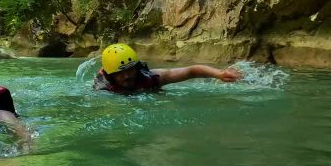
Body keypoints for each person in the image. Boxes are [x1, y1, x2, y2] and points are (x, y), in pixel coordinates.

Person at [93, 43, 242, 94]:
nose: (127, 76)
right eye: (120, 73)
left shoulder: (152, 77)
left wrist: (220, 74)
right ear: (110, 75)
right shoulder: (103, 91)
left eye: (130, 70)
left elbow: (191, 71)